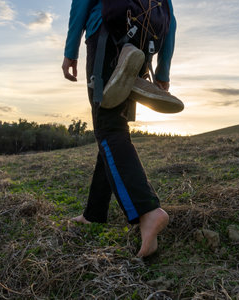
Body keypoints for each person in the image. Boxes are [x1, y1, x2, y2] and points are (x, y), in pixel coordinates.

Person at [62, 0, 176, 257]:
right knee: (113, 128)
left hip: (106, 34)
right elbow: (170, 15)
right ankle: (94, 212)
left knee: (108, 127)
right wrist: (163, 69)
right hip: (142, 45)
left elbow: (81, 3)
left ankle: (147, 211)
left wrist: (71, 51)